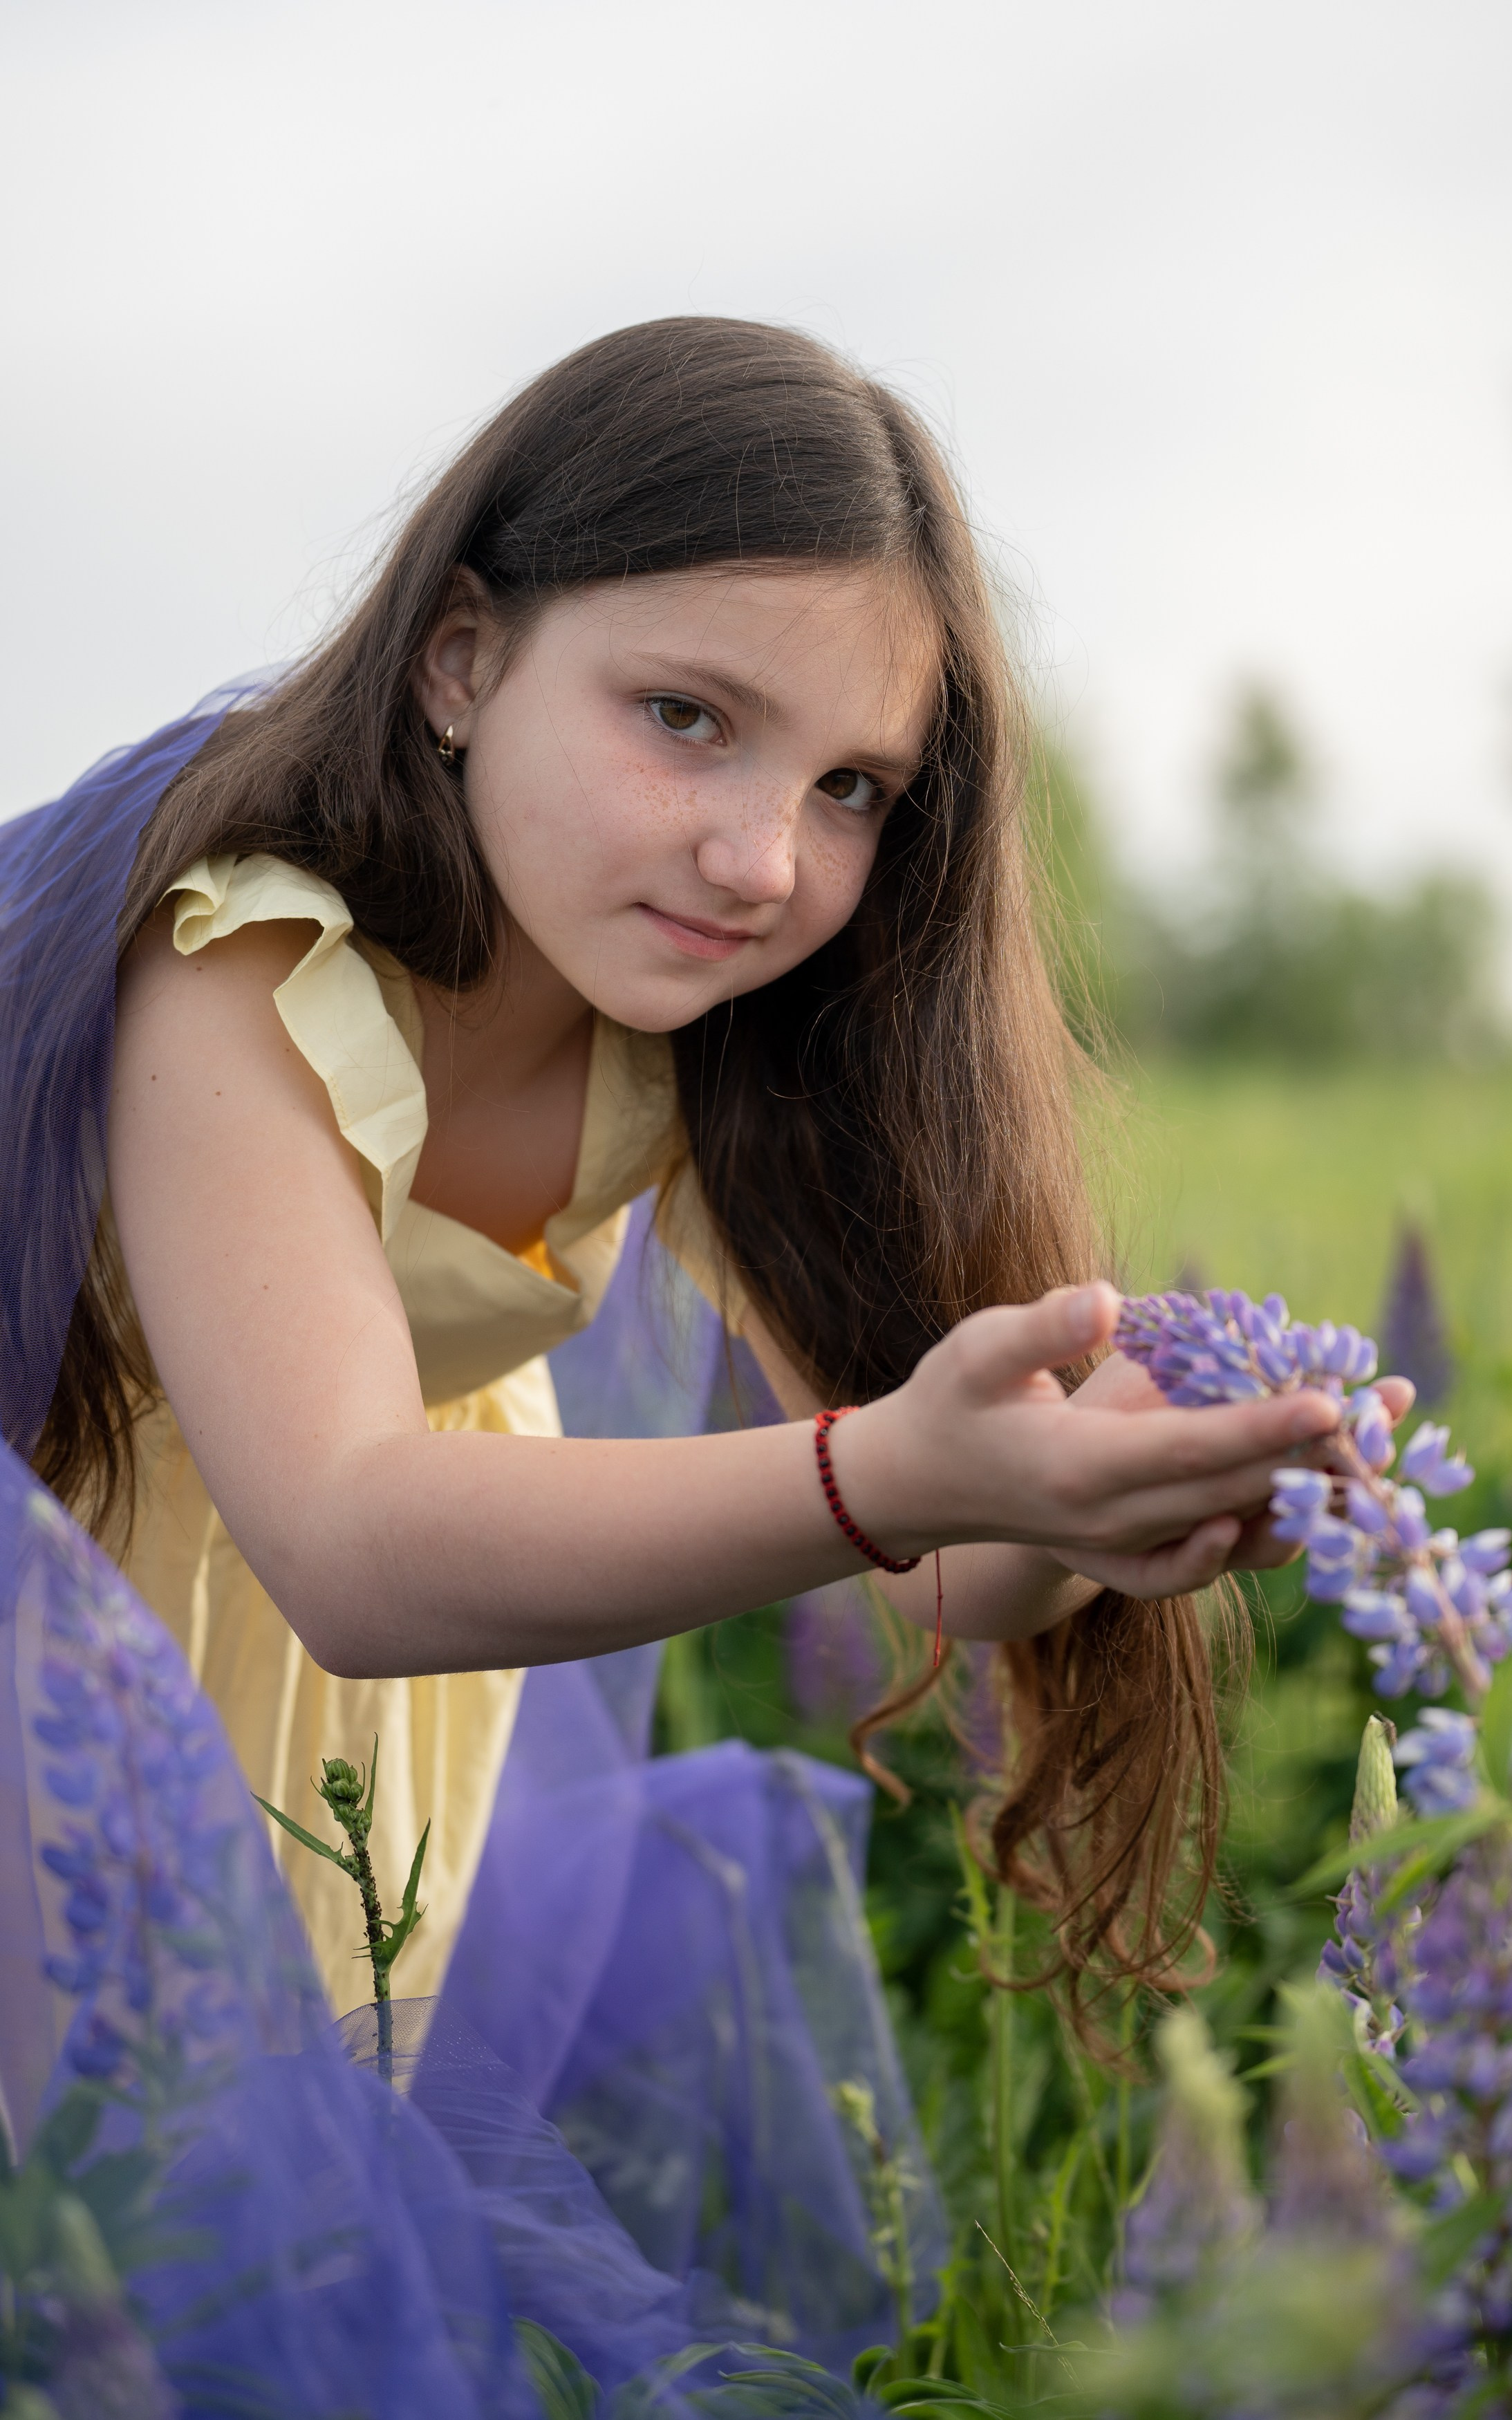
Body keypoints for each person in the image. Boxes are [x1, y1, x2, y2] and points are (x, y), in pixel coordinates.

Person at [3, 319, 1406, 2349]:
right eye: (685, 716)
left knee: (246, 2278)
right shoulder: (239, 970)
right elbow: (353, 1539)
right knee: (85, 2258)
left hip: (346, 1756)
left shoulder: (685, 1038)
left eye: (851, 785)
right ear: (461, 656)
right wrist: (890, 1470)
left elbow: (934, 1539)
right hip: (78, 1647)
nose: (764, 858)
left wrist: (1092, 1494)